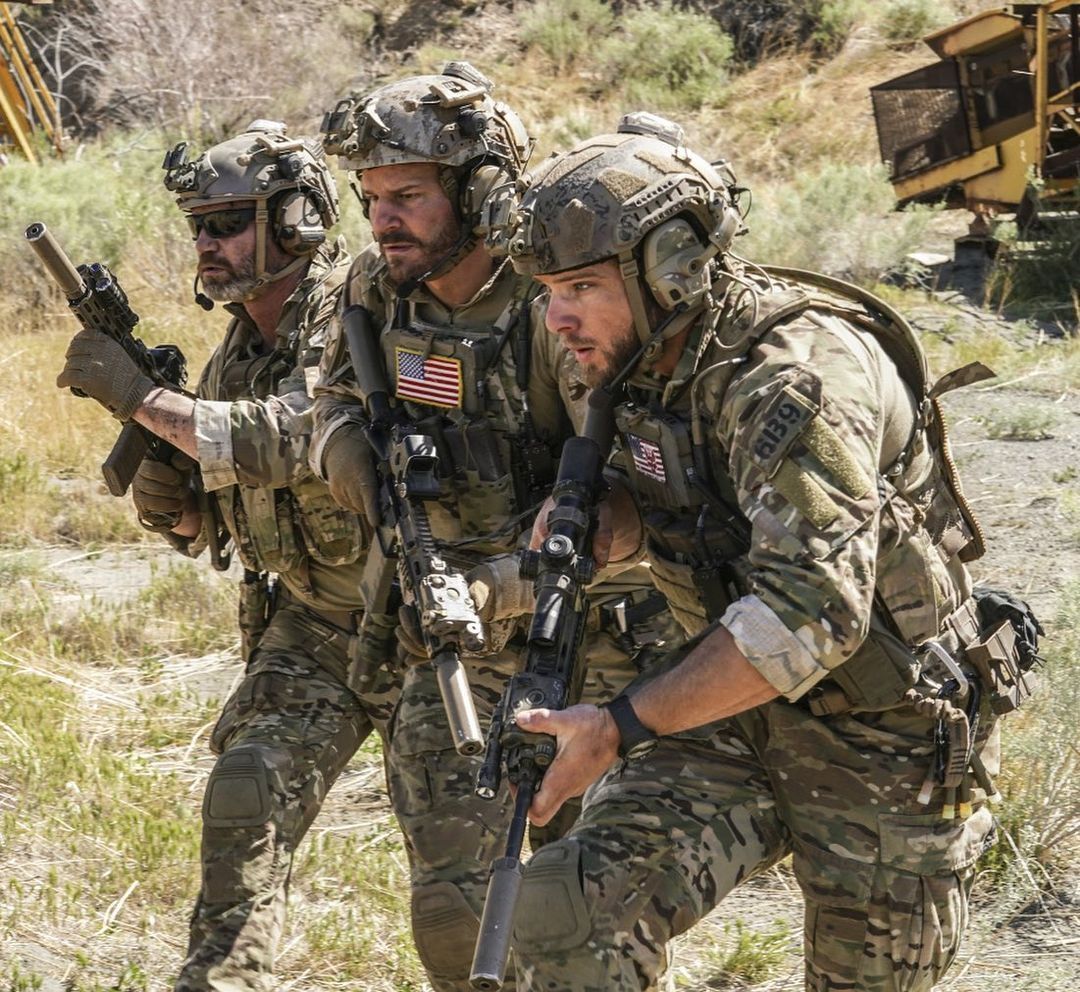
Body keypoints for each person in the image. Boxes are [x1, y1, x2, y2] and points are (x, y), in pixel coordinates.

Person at [495, 112, 1039, 992]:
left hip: (880, 731)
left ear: (670, 265)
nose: (557, 317)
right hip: (728, 708)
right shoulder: (636, 355)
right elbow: (689, 505)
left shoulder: (795, 374)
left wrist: (617, 726)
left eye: (582, 286)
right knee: (566, 909)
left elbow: (810, 615)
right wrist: (611, 525)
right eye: (550, 289)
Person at [311, 65, 681, 991]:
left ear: (478, 191)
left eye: (406, 196)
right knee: (454, 914)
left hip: (598, 638)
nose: (382, 220)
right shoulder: (373, 289)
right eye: (370, 199)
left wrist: (503, 582)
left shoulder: (558, 302)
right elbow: (332, 400)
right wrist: (351, 458)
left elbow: (632, 501)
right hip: (456, 647)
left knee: (584, 922)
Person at [56, 120, 401, 991]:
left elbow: (295, 437)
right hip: (314, 628)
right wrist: (175, 506)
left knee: (461, 889)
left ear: (296, 220)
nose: (206, 244)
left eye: (227, 222)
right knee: (245, 793)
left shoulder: (360, 313)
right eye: (197, 227)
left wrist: (141, 398)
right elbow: (225, 520)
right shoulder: (236, 354)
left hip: (421, 625)